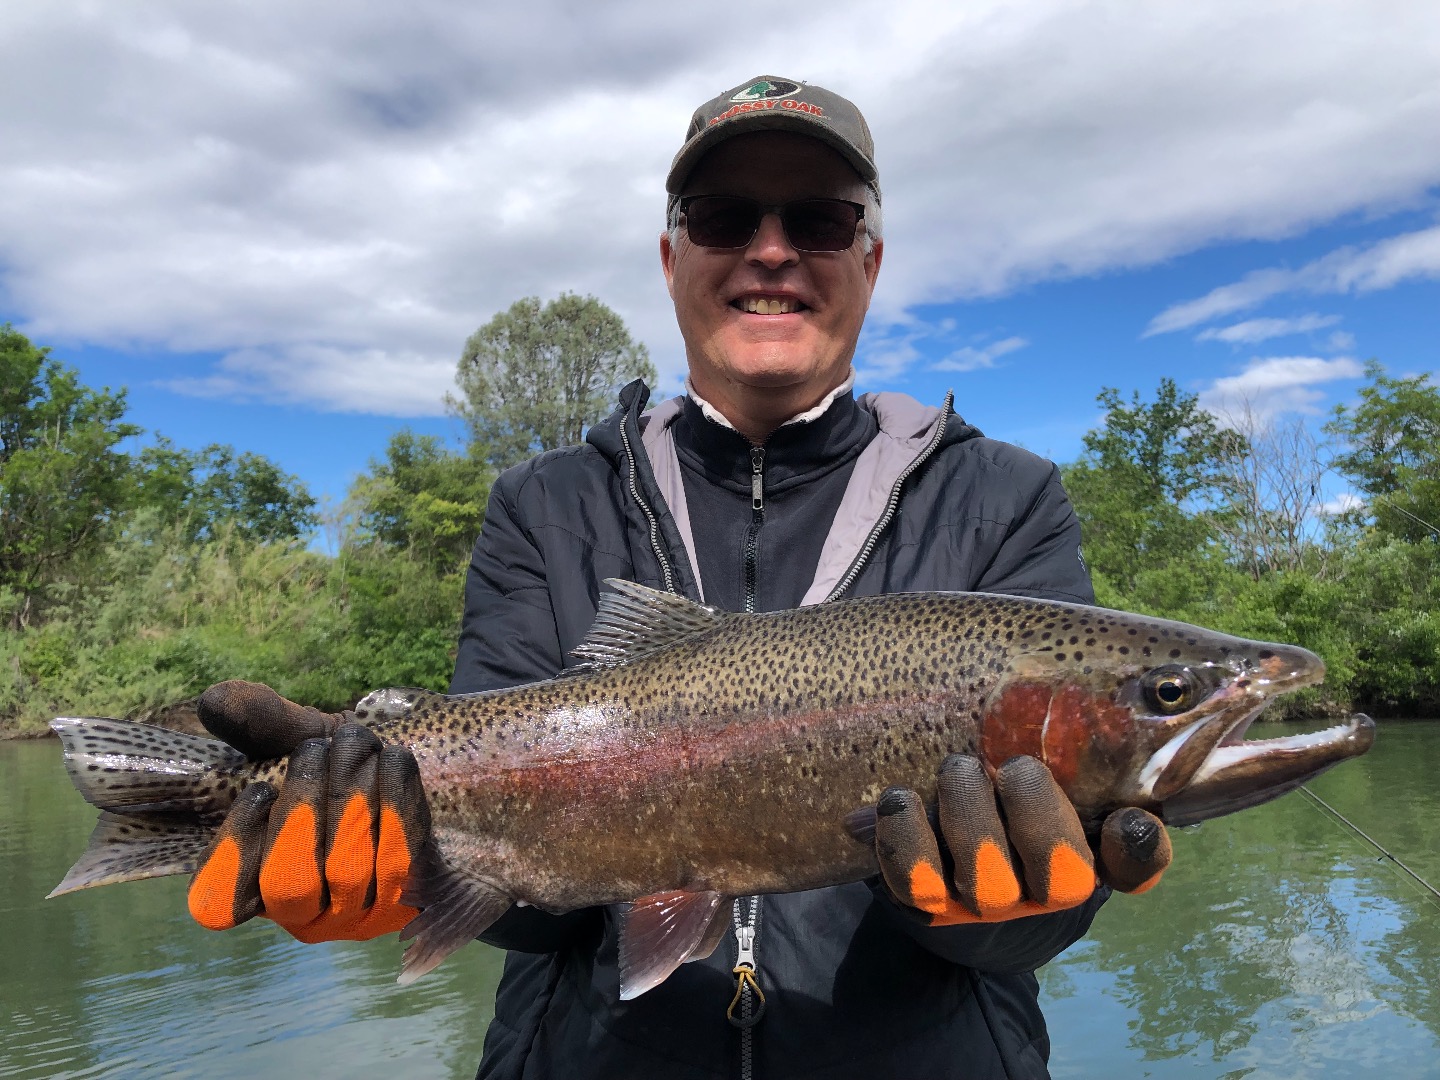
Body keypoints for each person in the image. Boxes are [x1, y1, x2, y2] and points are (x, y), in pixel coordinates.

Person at [186, 76, 1172, 1079]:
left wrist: (1005, 912)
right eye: (724, 216)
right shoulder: (545, 504)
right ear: (672, 258)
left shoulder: (1006, 497)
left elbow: (1039, 927)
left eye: (822, 221)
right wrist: (409, 867)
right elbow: (533, 926)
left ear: (870, 261)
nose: (773, 250)